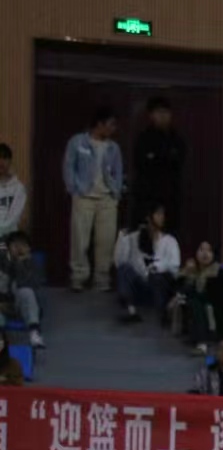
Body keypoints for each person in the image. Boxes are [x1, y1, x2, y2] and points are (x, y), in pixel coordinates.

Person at [63, 107, 124, 292]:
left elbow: (118, 171)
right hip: (84, 197)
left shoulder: (113, 147)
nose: (113, 129)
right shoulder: (78, 142)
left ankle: (102, 280)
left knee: (106, 241)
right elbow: (68, 166)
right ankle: (78, 277)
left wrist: (116, 192)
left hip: (107, 199)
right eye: (111, 124)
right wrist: (74, 189)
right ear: (100, 124)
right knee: (80, 239)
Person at [113, 202, 181, 323]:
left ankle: (162, 314)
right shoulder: (134, 237)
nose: (161, 217)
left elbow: (175, 266)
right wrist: (123, 238)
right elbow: (120, 262)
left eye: (163, 214)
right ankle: (131, 311)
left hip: (157, 288)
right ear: (149, 217)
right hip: (140, 287)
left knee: (158, 278)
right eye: (158, 214)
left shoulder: (169, 240)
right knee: (124, 269)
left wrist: (156, 267)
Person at [132, 96, 186, 228]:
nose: (163, 116)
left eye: (166, 112)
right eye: (159, 112)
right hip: (148, 196)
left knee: (170, 232)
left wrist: (157, 158)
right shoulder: (143, 138)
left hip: (171, 197)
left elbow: (179, 163)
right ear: (151, 115)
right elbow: (141, 164)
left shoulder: (176, 139)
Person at [175, 241, 223, 355]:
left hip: (219, 313)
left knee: (196, 302)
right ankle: (194, 336)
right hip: (200, 308)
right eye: (201, 250)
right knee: (190, 301)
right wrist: (187, 272)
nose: (205, 254)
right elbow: (180, 289)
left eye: (208, 250)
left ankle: (202, 343)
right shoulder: (192, 270)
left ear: (213, 254)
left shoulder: (218, 272)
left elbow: (222, 296)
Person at [0, 231, 46, 350]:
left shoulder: (32, 264)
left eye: (23, 245)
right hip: (2, 303)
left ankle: (34, 333)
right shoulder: (2, 261)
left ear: (28, 249)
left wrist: (21, 263)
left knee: (26, 292)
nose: (19, 249)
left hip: (20, 304)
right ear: (8, 247)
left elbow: (27, 284)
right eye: (15, 245)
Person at [0, 143, 25, 237]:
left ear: (10, 161)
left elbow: (14, 217)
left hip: (10, 238)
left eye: (4, 158)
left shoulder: (18, 188)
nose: (1, 162)